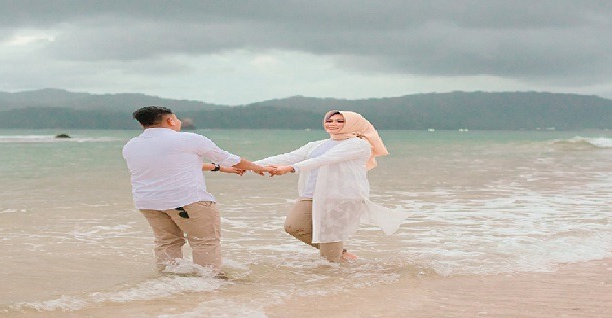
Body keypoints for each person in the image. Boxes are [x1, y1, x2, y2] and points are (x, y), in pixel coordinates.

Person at [122, 106, 272, 276]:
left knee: (167, 242)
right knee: (205, 242)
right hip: (186, 201)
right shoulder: (188, 139)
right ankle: (209, 283)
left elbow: (176, 165)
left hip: (149, 203)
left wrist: (219, 168)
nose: (179, 122)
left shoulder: (131, 146)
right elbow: (230, 158)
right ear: (170, 120)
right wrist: (258, 168)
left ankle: (169, 280)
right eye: (176, 118)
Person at [256, 110, 410, 263]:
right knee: (293, 226)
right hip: (312, 194)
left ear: (351, 123)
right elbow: (288, 157)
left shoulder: (359, 144)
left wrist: (291, 168)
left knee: (329, 252)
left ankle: (335, 277)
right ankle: (341, 255)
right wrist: (252, 166)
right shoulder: (317, 144)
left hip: (340, 197)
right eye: (329, 121)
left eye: (339, 121)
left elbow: (325, 159)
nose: (333, 124)